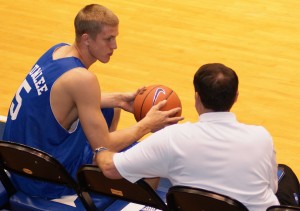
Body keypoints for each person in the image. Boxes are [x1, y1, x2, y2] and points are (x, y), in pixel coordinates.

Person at [2, 4, 183, 200]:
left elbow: (62, 100)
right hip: (46, 179)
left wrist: (121, 99)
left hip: (16, 162)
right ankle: (106, 185)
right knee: (150, 163)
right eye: (108, 39)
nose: (114, 46)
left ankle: (103, 172)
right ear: (87, 39)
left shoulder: (59, 50)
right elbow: (103, 144)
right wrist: (147, 125)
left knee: (111, 109)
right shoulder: (83, 79)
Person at [97, 63, 300, 210]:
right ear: (236, 97)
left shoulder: (171, 138)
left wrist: (100, 146)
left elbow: (109, 167)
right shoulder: (261, 137)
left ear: (196, 98)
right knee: (285, 176)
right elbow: (271, 187)